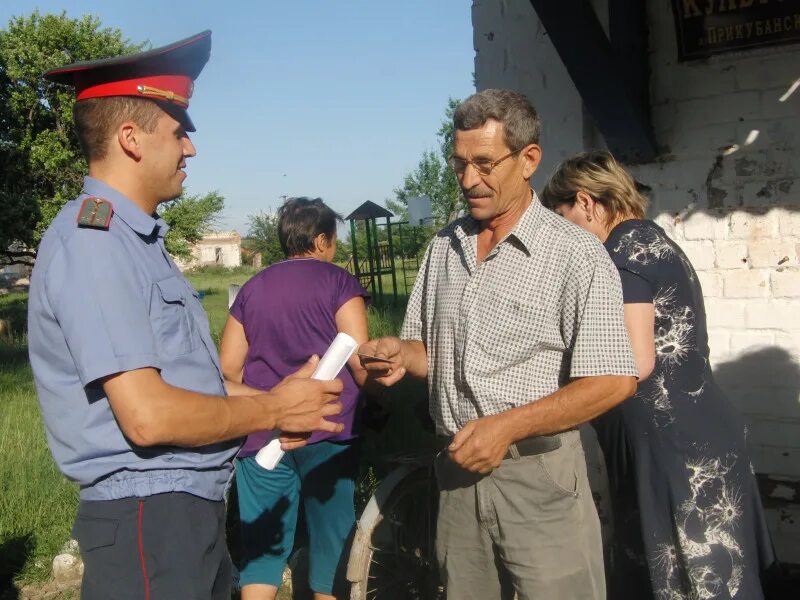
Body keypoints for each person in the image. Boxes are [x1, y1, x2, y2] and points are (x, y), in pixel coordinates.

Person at [27, 32, 344, 600]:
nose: (190, 150)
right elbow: (147, 416)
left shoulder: (135, 242)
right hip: (148, 519)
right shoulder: (95, 241)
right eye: (178, 133)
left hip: (178, 514)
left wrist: (278, 401)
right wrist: (273, 406)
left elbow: (190, 381)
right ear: (130, 139)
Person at [359, 89, 638, 600]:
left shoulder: (575, 255)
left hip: (539, 479)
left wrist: (506, 427)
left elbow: (614, 380)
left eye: (485, 164)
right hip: (456, 473)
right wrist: (402, 355)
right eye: (459, 164)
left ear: (528, 159)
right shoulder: (445, 247)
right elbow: (429, 351)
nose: (469, 180)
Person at [541, 150, 776, 600]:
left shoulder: (622, 251)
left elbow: (635, 359)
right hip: (695, 436)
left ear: (587, 203)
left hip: (674, 451)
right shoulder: (654, 241)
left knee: (689, 582)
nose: (560, 231)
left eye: (560, 215)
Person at [219, 197, 369, 600]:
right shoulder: (339, 283)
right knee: (332, 544)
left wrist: (271, 405)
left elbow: (227, 372)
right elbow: (361, 362)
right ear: (321, 240)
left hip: (262, 435)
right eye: (333, 240)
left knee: (262, 552)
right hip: (329, 430)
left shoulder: (251, 290)